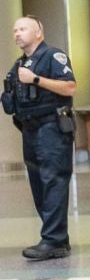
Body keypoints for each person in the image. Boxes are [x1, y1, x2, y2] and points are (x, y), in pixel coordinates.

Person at [5, 15, 78, 260]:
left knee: (53, 181)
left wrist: (36, 79)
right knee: (39, 185)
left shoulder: (53, 56)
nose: (17, 33)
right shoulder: (19, 64)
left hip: (52, 128)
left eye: (23, 28)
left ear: (39, 32)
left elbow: (70, 87)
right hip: (30, 129)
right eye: (15, 30)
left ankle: (53, 241)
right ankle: (56, 239)